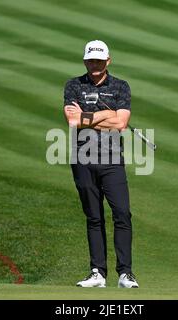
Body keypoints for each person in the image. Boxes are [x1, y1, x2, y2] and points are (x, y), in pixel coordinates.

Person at [63, 40, 139, 288]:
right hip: (82, 160)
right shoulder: (74, 85)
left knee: (122, 214)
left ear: (108, 61)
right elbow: (72, 120)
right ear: (85, 61)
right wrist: (107, 115)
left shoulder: (120, 87)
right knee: (93, 217)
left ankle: (125, 273)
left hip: (112, 161)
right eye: (90, 60)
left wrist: (90, 117)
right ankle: (97, 272)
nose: (94, 64)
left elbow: (121, 124)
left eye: (99, 60)